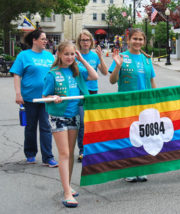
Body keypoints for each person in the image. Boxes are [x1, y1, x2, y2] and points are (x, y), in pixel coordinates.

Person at [42, 41, 98, 208]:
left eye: (72, 54)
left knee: (71, 153)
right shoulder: (53, 73)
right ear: (59, 54)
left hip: (74, 116)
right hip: (58, 116)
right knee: (65, 154)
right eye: (66, 54)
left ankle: (68, 186)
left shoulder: (77, 71)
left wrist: (81, 59)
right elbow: (45, 95)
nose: (69, 57)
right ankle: (66, 193)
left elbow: (94, 76)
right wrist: (53, 97)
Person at [109, 28, 157, 182]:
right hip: (127, 104)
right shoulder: (121, 57)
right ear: (128, 40)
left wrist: (157, 101)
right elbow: (112, 81)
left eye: (140, 39)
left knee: (144, 136)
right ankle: (129, 169)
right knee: (129, 136)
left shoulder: (147, 59)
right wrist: (117, 66)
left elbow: (151, 82)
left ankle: (141, 168)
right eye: (134, 39)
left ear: (144, 41)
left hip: (145, 104)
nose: (137, 42)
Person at [10, 29, 58, 167]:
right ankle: (30, 154)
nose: (45, 41)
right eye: (42, 39)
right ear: (34, 40)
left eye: (46, 39)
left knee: (46, 127)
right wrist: (18, 94)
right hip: (29, 99)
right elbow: (17, 75)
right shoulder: (24, 56)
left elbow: (55, 75)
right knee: (30, 127)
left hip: (45, 98)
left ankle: (48, 157)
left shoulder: (50, 57)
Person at [76, 30, 108, 162]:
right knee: (82, 123)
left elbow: (105, 72)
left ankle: (92, 150)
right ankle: (82, 150)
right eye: (83, 40)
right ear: (79, 42)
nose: (85, 42)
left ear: (91, 42)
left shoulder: (94, 56)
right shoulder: (75, 56)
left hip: (93, 92)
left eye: (87, 40)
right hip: (79, 92)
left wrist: (100, 57)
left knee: (92, 122)